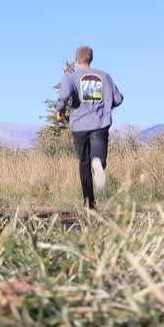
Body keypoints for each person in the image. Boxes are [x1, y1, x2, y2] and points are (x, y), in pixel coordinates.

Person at [56, 46, 124, 210]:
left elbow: (64, 96)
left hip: (79, 125)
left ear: (76, 60)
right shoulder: (104, 76)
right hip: (100, 123)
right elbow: (118, 99)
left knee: (84, 162)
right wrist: (106, 106)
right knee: (97, 159)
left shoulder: (71, 77)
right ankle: (98, 164)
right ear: (91, 59)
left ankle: (89, 203)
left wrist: (60, 110)